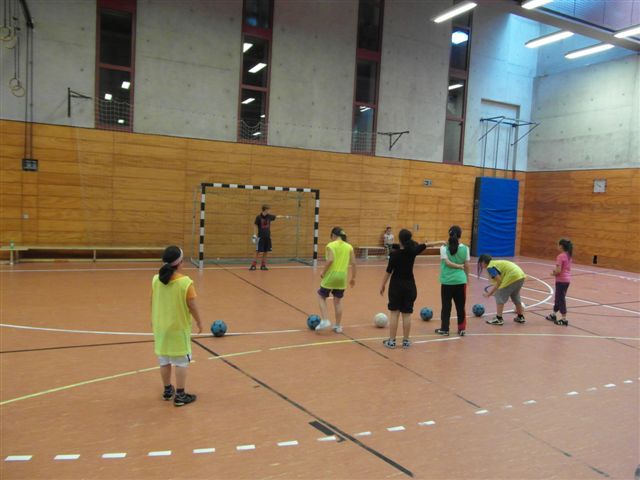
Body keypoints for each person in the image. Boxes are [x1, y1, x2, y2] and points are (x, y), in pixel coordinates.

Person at [151, 245, 203, 407]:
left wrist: (153, 319)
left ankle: (167, 390)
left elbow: (152, 301)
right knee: (181, 361)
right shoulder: (185, 283)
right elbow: (192, 305)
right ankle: (180, 395)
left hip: (160, 327)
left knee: (164, 360)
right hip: (178, 328)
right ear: (180, 262)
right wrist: (199, 322)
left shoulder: (155, 279)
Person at [379, 229, 443, 349]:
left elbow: (388, 271)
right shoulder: (412, 251)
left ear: (400, 239)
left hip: (396, 286)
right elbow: (426, 245)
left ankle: (392, 341)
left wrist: (382, 284)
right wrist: (441, 241)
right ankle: (406, 341)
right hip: (409, 286)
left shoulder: (394, 254)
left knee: (394, 313)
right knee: (407, 314)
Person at [315, 227, 356, 333]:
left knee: (321, 296)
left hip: (331, 276)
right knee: (337, 301)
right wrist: (353, 278)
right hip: (342, 277)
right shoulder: (349, 246)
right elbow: (354, 263)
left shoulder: (330, 245)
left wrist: (323, 272)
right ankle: (338, 326)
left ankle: (325, 320)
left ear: (333, 235)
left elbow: (330, 260)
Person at [436, 225, 470, 337]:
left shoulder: (443, 248)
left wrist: (459, 267)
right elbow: (467, 266)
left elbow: (447, 263)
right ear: (460, 235)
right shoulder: (465, 248)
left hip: (447, 281)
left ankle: (445, 329)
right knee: (461, 306)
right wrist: (466, 278)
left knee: (446, 306)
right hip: (461, 281)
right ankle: (461, 329)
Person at [478, 254, 526, 325]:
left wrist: (490, 293)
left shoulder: (490, 267)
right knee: (515, 296)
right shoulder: (495, 263)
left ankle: (499, 319)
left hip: (512, 276)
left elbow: (499, 281)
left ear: (483, 262)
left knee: (499, 295)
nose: (480, 265)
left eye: (480, 263)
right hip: (520, 275)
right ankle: (520, 317)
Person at [250, 204, 289, 271]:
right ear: (265, 210)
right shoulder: (258, 217)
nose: (269, 211)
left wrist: (285, 216)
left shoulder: (270, 216)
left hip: (267, 237)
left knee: (266, 251)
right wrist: (254, 234)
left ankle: (263, 265)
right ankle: (253, 265)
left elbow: (277, 216)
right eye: (268, 209)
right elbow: (255, 225)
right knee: (258, 251)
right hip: (260, 237)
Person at [546, 239, 573, 326]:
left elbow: (558, 270)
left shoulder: (560, 256)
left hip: (561, 281)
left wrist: (553, 273)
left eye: (558, 245)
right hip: (567, 280)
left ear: (561, 246)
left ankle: (564, 319)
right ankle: (553, 314)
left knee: (561, 299)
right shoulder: (568, 255)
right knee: (558, 298)